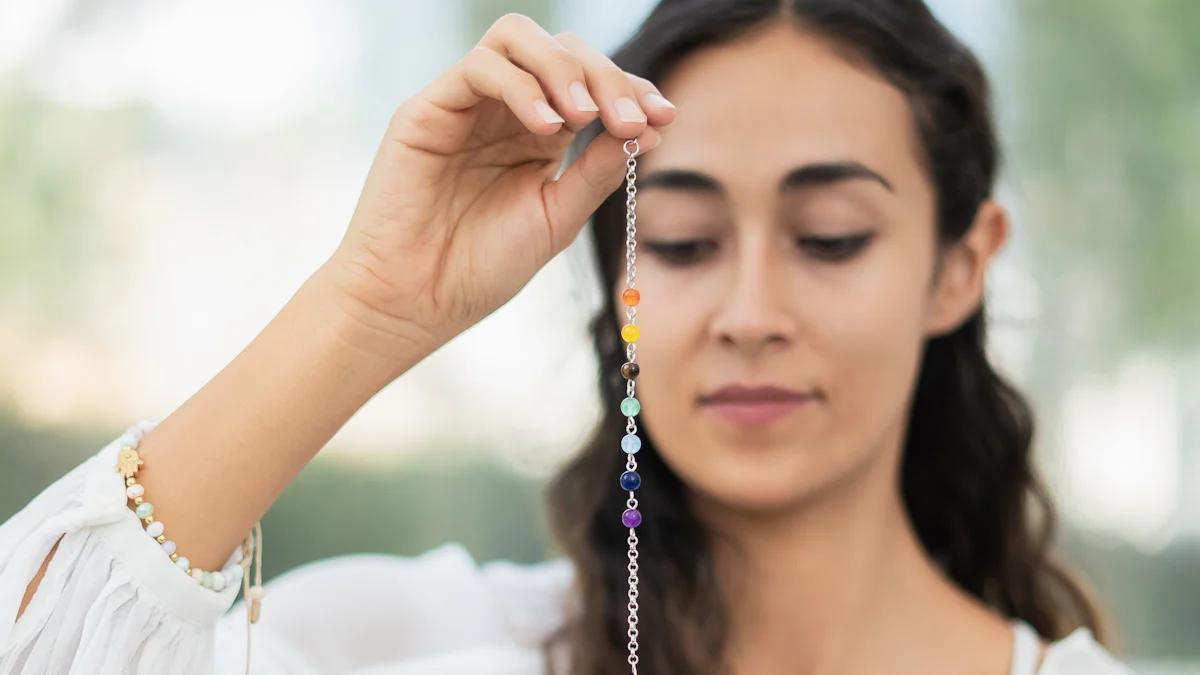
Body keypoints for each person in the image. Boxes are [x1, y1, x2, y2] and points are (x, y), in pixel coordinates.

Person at [0, 0, 1139, 673]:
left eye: (830, 237)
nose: (749, 314)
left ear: (961, 265)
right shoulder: (417, 640)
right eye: (684, 240)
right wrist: (368, 307)